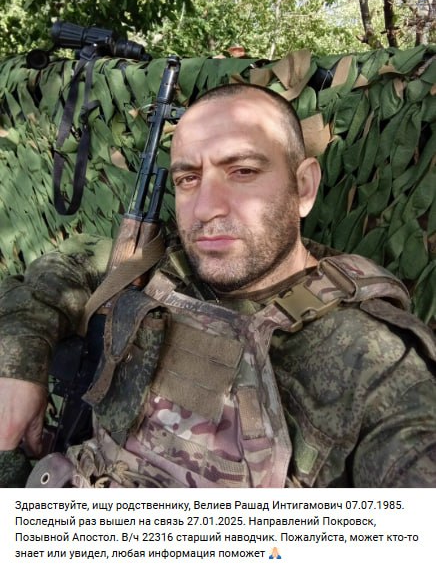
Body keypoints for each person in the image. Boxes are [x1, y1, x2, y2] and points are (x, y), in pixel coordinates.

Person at [0, 83, 435, 488]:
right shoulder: (159, 264)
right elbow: (56, 272)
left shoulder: (378, 362)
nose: (206, 208)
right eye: (188, 179)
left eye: (243, 171)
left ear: (303, 187)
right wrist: (18, 367)